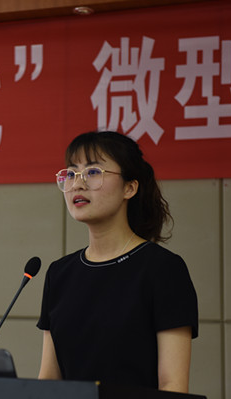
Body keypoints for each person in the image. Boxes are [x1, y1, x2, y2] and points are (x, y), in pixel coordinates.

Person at [37, 131, 198, 393]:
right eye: (70, 173)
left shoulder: (163, 269)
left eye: (93, 172)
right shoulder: (59, 273)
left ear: (129, 187)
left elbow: (173, 386)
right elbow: (48, 381)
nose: (77, 184)